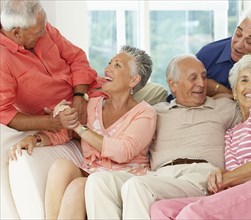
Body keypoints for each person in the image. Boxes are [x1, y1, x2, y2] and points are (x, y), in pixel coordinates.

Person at [84, 54, 241, 219]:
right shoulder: (156, 111)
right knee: (98, 182)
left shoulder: (224, 107)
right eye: (193, 78)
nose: (202, 84)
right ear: (172, 85)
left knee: (137, 186)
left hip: (201, 175)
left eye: (203, 77)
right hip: (159, 176)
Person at [9, 45, 157, 219]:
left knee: (78, 187)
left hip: (124, 179)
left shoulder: (145, 113)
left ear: (133, 80)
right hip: (92, 172)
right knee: (61, 166)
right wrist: (35, 139)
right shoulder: (94, 105)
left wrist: (79, 127)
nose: (107, 69)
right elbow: (65, 133)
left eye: (117, 65)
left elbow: (123, 151)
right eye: (109, 63)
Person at [150, 54, 251, 219]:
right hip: (241, 190)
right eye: (244, 80)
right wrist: (220, 173)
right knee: (160, 210)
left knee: (193, 214)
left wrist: (226, 178)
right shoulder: (231, 130)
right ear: (234, 92)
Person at [0, 0, 101, 218]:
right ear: (16, 33)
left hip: (91, 93)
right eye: (38, 32)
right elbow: (5, 112)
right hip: (63, 121)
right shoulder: (3, 59)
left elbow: (77, 58)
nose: (44, 34)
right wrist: (54, 123)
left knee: (151, 98)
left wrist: (79, 96)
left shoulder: (42, 28)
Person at [196, 8, 251, 113]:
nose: (238, 45)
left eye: (250, 41)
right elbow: (179, 93)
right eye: (238, 34)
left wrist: (222, 91)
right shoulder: (207, 54)